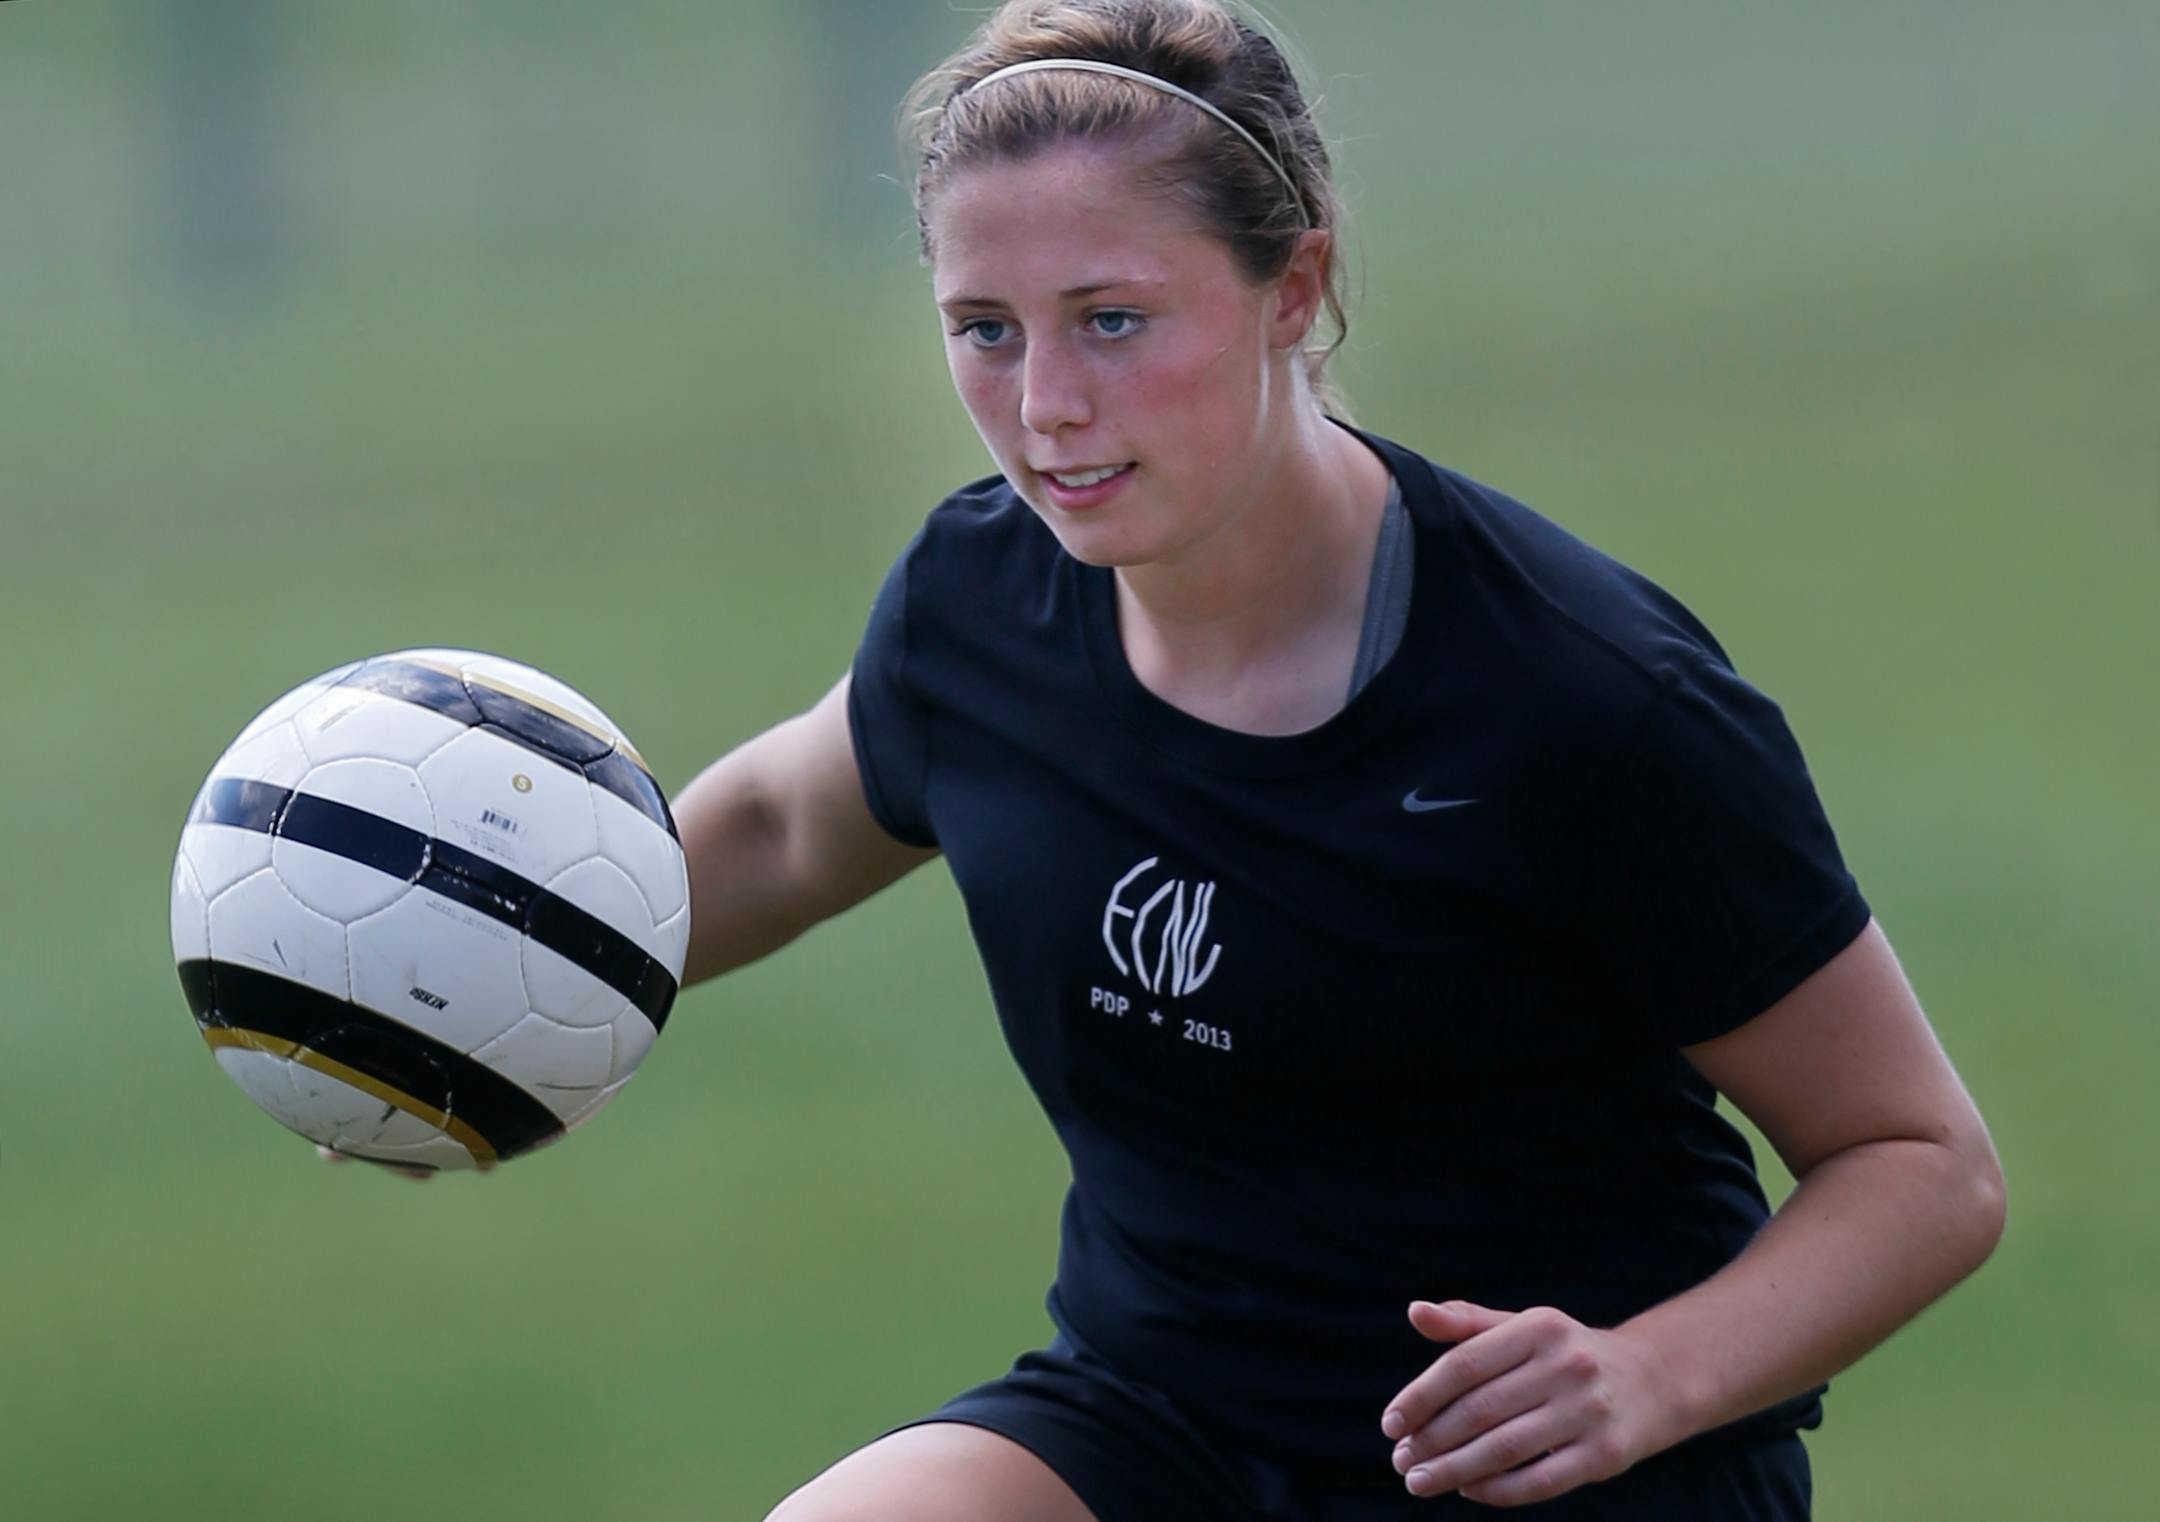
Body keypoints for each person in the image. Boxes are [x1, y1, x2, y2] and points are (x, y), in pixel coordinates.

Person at [671, 2, 2007, 1517]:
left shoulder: (1581, 699)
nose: (1043, 407)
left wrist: (1649, 1373)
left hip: (1540, 1472)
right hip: (1153, 1417)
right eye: (986, 327)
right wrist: (466, 992)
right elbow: (785, 826)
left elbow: (1924, 1160)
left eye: (1112, 318)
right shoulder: (980, 608)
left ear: (1291, 284)